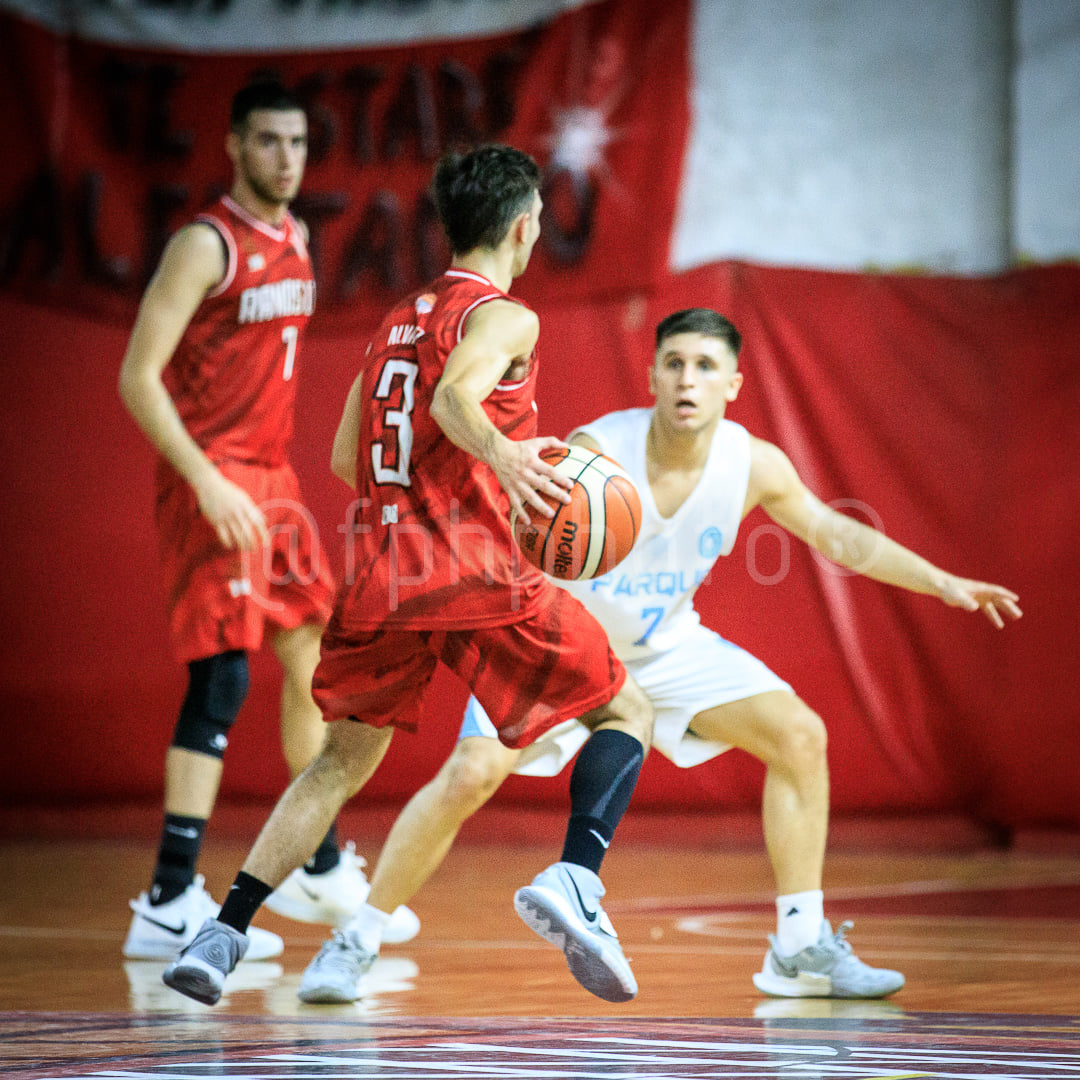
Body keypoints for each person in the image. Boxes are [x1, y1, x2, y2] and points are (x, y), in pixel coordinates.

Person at [295, 306, 1023, 1004]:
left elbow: (838, 533)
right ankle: (357, 938)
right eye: (673, 363)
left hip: (664, 647)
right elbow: (516, 523)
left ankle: (800, 947)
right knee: (470, 774)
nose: (687, 379)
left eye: (705, 366)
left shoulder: (753, 463)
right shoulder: (596, 450)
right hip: (563, 643)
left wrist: (940, 582)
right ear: (651, 377)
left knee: (800, 735)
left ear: (733, 385)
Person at [160, 144, 655, 1008]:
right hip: (470, 568)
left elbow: (345, 456)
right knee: (626, 709)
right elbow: (454, 400)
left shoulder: (398, 319)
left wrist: (442, 473)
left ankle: (222, 931)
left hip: (382, 576)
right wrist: (504, 457)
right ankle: (578, 878)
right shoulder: (506, 318)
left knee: (336, 764)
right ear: (522, 226)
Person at [117, 79, 418, 963]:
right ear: (234, 146)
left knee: (313, 654)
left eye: (297, 142)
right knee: (222, 679)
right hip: (212, 478)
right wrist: (205, 479)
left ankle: (316, 864)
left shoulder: (296, 240)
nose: (286, 158)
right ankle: (167, 897)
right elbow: (138, 376)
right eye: (268, 141)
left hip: (272, 478)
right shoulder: (205, 244)